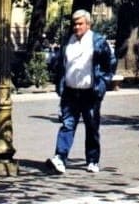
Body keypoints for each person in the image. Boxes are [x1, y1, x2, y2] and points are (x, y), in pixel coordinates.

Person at [46, 10, 116, 175]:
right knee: (67, 125)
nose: (76, 27)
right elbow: (60, 64)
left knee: (91, 126)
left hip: (90, 92)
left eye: (80, 24)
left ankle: (92, 160)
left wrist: (102, 83)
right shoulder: (67, 41)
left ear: (88, 24)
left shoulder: (97, 41)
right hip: (70, 92)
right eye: (75, 24)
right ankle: (60, 158)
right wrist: (59, 83)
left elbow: (110, 63)